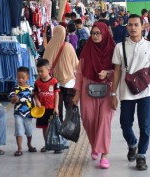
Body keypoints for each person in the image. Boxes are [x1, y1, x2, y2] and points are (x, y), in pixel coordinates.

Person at [72, 22, 116, 169]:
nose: (95, 36)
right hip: (87, 87)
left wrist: (108, 73)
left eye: (98, 33)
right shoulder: (87, 49)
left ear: (105, 33)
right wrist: (77, 93)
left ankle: (104, 154)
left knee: (104, 119)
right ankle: (94, 146)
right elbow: (79, 72)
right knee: (88, 119)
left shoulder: (112, 49)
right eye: (93, 33)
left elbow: (118, 72)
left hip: (107, 89)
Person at [111, 14, 150, 171]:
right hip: (126, 92)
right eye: (130, 25)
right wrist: (113, 94)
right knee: (125, 124)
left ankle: (141, 155)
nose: (133, 28)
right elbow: (117, 71)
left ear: (143, 27)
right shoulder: (120, 47)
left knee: (145, 126)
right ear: (126, 27)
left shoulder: (148, 46)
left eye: (136, 25)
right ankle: (132, 143)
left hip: (146, 93)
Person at [43, 25, 79, 123]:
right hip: (69, 83)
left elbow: (44, 66)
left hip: (54, 83)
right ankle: (69, 127)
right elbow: (76, 64)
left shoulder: (49, 47)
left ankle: (58, 128)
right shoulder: (68, 46)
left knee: (57, 109)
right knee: (70, 108)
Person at [9, 67, 36, 156]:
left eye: (23, 78)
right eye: (18, 77)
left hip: (28, 114)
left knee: (29, 131)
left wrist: (37, 107)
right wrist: (14, 99)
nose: (20, 79)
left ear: (28, 77)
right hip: (18, 113)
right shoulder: (15, 88)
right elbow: (11, 99)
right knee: (19, 130)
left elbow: (34, 99)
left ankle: (29, 144)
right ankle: (19, 148)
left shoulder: (31, 88)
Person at [34, 59, 60, 153]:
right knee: (44, 127)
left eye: (42, 71)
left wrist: (56, 107)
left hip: (52, 109)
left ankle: (56, 144)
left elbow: (57, 95)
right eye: (38, 71)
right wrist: (37, 101)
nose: (40, 73)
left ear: (49, 70)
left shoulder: (54, 81)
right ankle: (47, 144)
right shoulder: (37, 83)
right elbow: (35, 94)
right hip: (42, 110)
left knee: (53, 127)